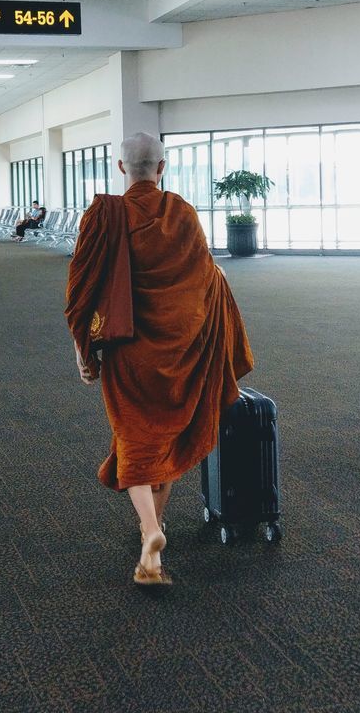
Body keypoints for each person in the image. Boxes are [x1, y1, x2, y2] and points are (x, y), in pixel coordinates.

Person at [66, 133, 253, 587]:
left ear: (120, 168)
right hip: (181, 348)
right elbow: (204, 277)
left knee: (134, 435)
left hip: (129, 350)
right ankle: (154, 536)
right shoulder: (183, 213)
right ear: (163, 168)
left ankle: (151, 532)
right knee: (166, 436)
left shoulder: (103, 214)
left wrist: (82, 349)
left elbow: (82, 289)